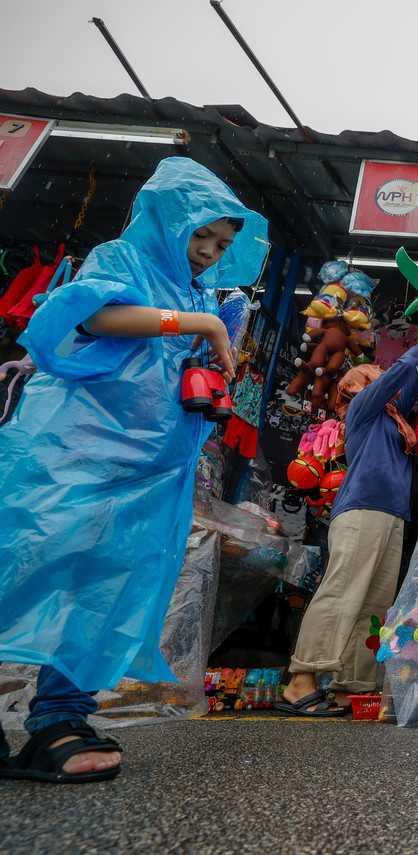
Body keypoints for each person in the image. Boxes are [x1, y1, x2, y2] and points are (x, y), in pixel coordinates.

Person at [0, 157, 268, 783]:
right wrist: (196, 323)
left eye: (222, 244)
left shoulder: (203, 295)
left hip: (152, 472)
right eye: (199, 234)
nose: (207, 251)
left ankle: (60, 719)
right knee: (30, 569)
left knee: (105, 589)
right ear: (166, 220)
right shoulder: (121, 259)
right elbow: (95, 316)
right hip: (75, 457)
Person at [276, 311, 418, 716]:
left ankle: (354, 684)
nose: (380, 377)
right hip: (363, 509)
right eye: (372, 374)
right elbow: (394, 380)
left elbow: (411, 385)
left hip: (390, 515)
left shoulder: (397, 424)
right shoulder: (364, 409)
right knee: (343, 591)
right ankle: (302, 679)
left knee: (373, 603)